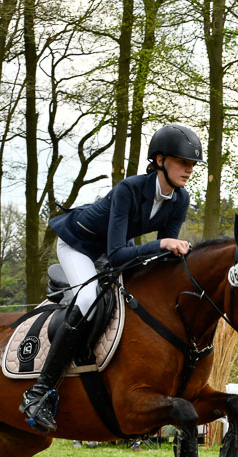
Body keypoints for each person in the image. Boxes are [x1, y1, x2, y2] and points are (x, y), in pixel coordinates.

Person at [20, 123, 203, 434]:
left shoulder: (179, 200)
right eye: (182, 162)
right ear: (160, 160)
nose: (188, 170)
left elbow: (160, 259)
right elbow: (119, 254)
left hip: (111, 248)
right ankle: (39, 393)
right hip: (79, 245)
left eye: (191, 165)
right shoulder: (128, 190)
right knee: (90, 298)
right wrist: (161, 244)